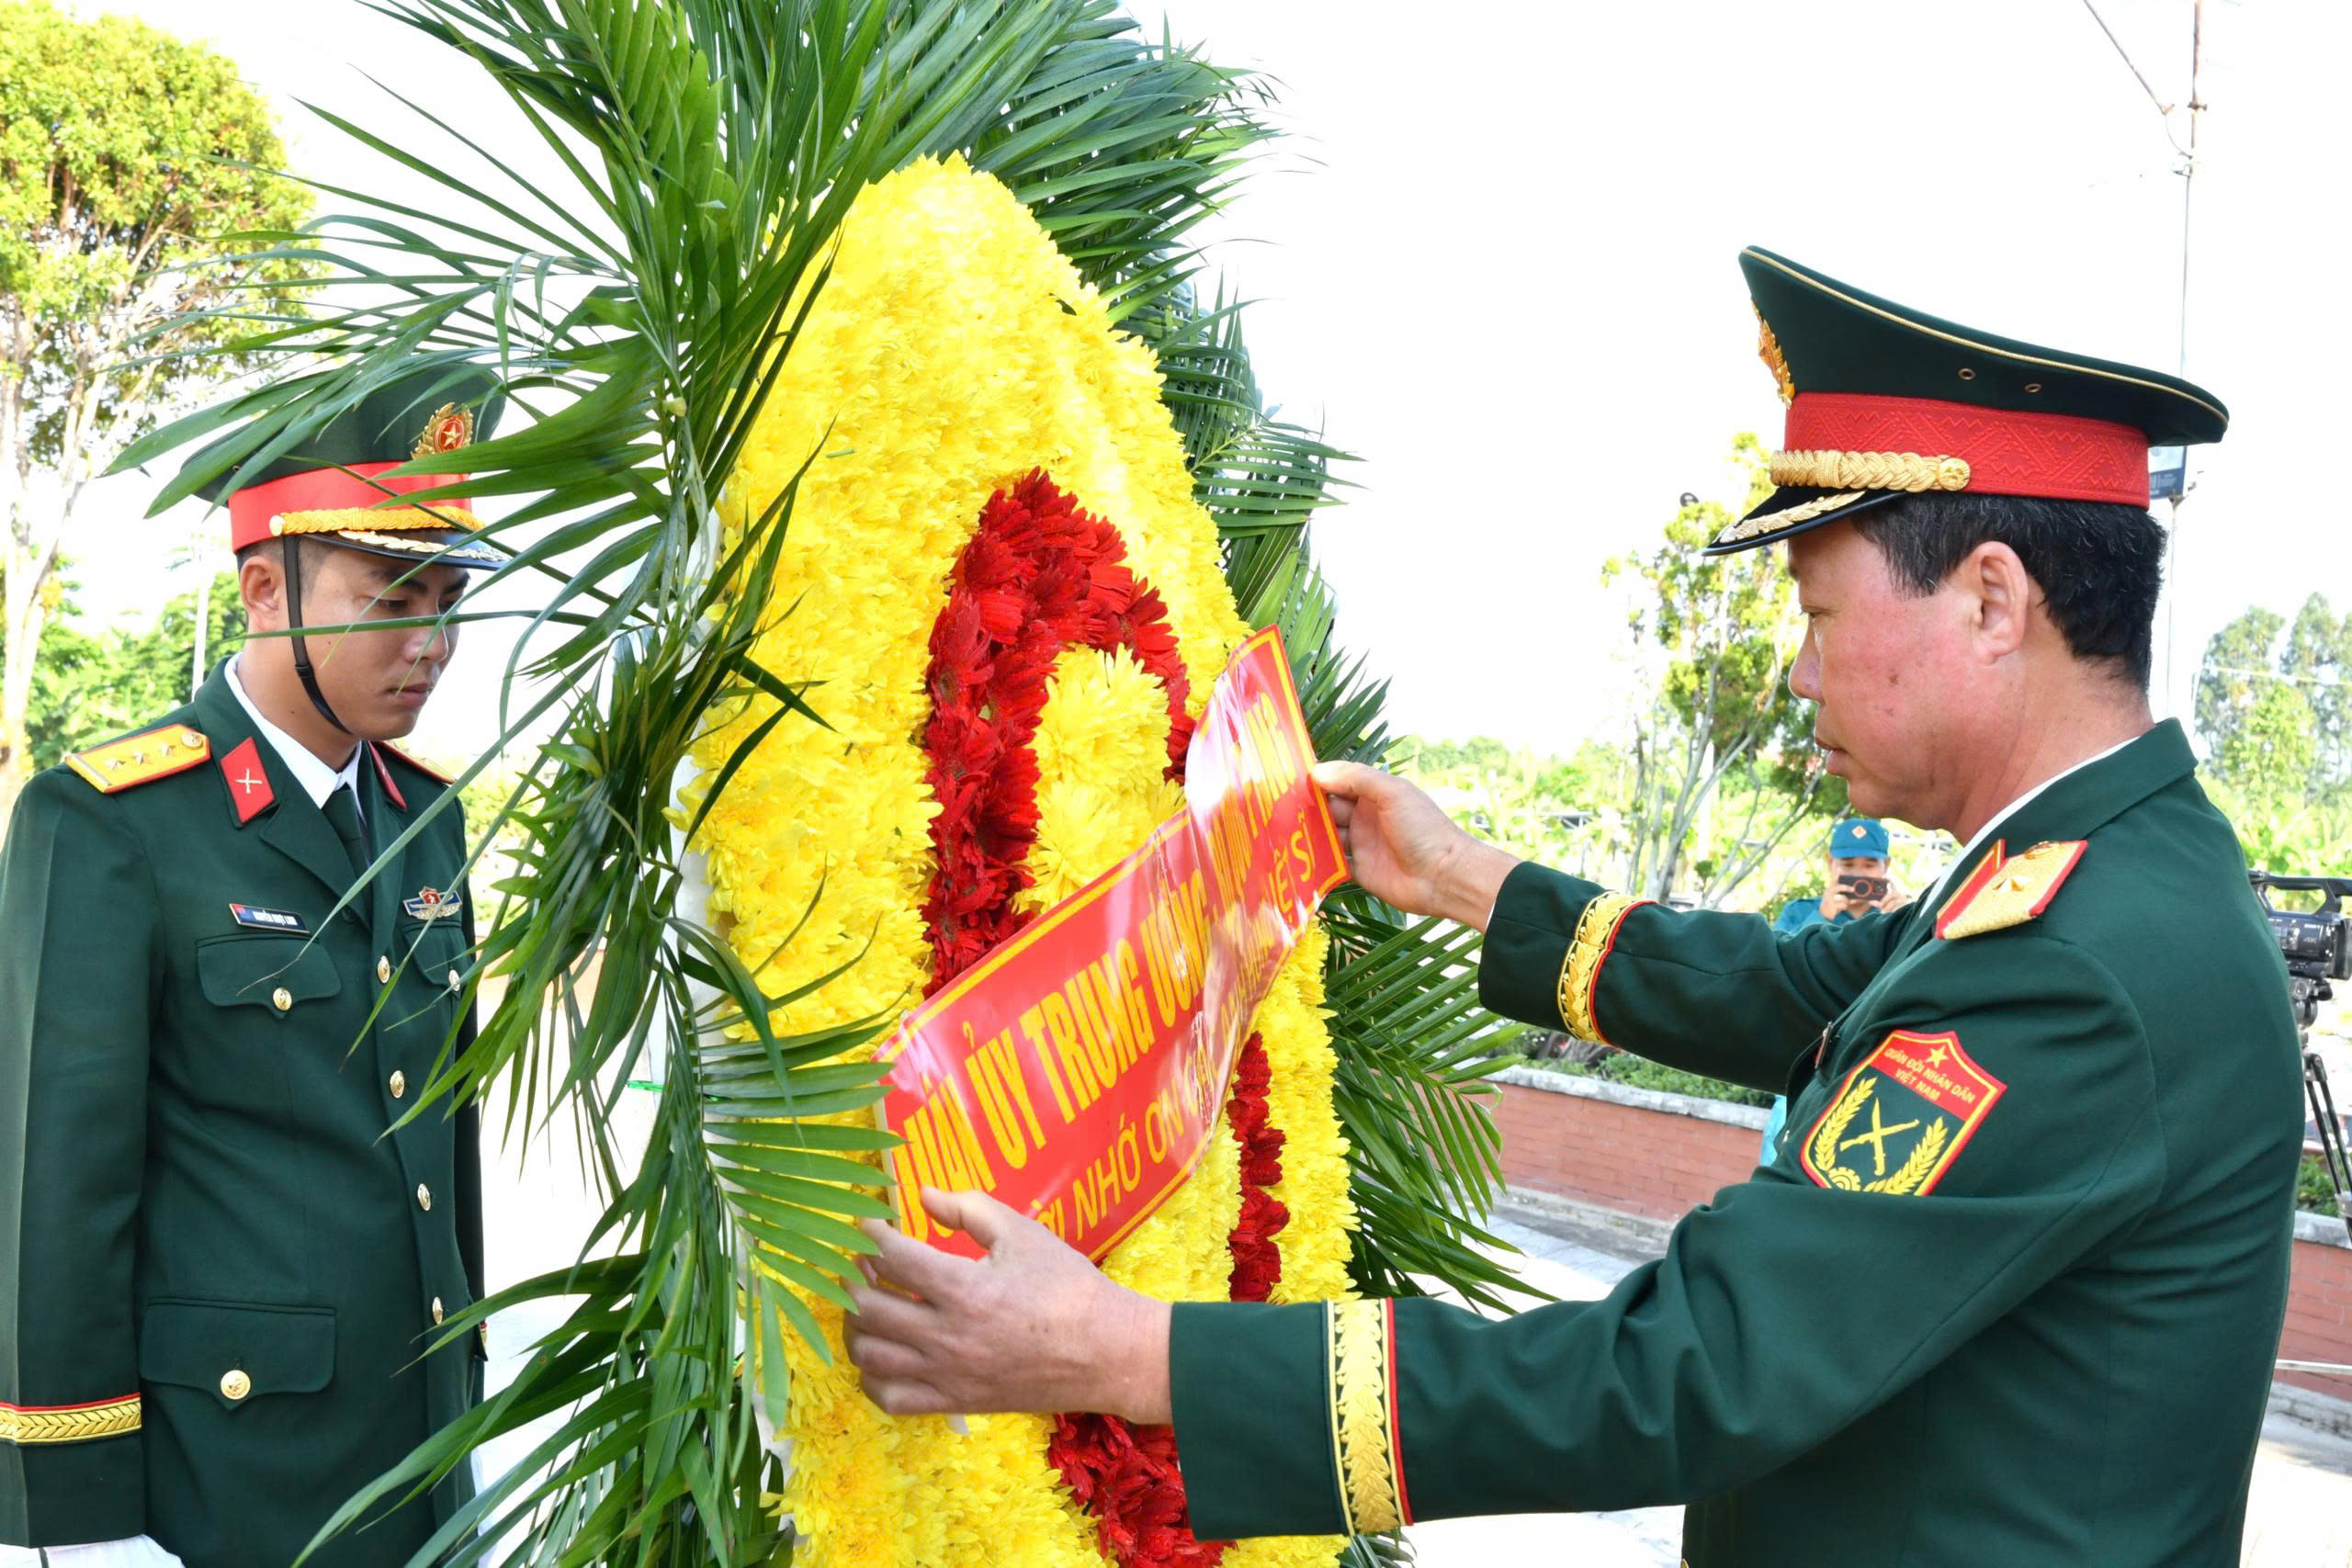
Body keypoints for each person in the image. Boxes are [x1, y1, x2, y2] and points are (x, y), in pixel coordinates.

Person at [836, 247, 2305, 1566]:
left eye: (1816, 612)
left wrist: (1134, 1350)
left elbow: (1697, 1368)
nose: (1798, 674)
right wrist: (1465, 880)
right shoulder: (2098, 878)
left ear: (1991, 601)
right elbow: (1797, 988)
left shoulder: (2080, 962)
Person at [0, 369, 506, 1567]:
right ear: (266, 586)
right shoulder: (114, 823)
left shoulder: (425, 819)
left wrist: (471, 1437)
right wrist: (82, 1527)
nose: (428, 643)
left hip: (419, 1471)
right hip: (222, 1490)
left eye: (448, 599)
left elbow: (444, 1158)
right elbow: (54, 1198)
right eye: (391, 597)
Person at [1758, 815, 1908, 1157]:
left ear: (1887, 867)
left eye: (1869, 865)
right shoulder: (1801, 915)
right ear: (1830, 864)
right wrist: (1821, 919)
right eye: (1848, 864)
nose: (1859, 874)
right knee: (1777, 1161)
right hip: (1806, 1061)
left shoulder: (1902, 921)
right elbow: (1774, 970)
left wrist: (1905, 922)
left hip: (1870, 1066)